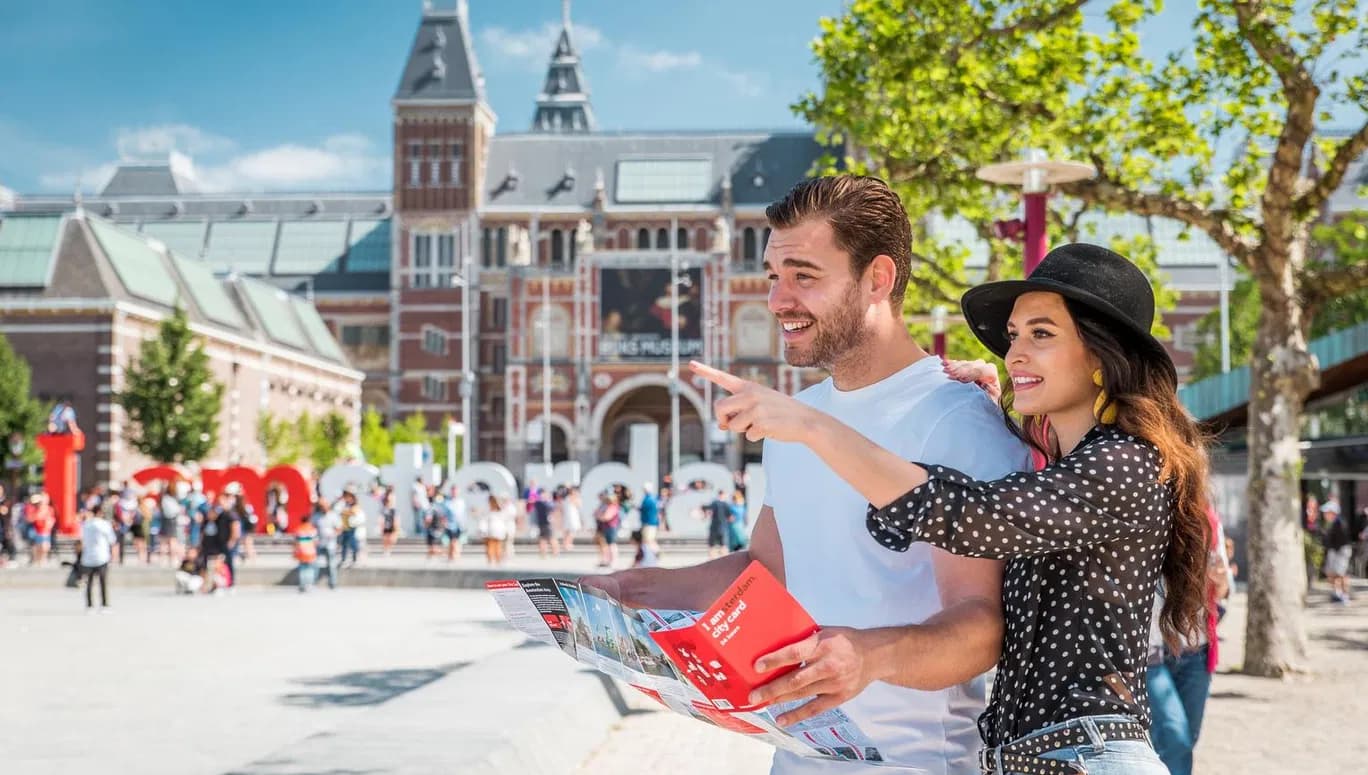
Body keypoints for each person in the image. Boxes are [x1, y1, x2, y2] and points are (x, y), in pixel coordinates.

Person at [690, 241, 1212, 775]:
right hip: (1042, 758)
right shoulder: (1063, 468)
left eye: (1041, 335)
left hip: (1089, 755)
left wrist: (809, 425)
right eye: (1013, 337)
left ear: (1104, 352)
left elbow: (966, 514)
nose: (1014, 355)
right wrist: (988, 415)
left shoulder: (1124, 464)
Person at [586, 175, 1030, 775]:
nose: (777, 300)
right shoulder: (797, 416)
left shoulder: (957, 418)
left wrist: (867, 656)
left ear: (878, 278)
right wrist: (639, 591)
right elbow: (766, 572)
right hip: (796, 760)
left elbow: (982, 626)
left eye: (804, 275)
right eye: (774, 276)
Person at [1144, 504, 1231, 775]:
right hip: (1151, 651)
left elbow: (1225, 588)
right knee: (1174, 736)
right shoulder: (1146, 512)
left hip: (1196, 650)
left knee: (1184, 740)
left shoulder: (1210, 521)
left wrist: (1219, 579)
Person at [79, 504, 117, 612]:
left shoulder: (86, 524)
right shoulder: (104, 524)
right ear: (100, 512)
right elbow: (112, 540)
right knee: (103, 582)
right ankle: (104, 605)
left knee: (89, 582)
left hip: (88, 556)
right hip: (102, 556)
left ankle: (89, 605)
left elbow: (81, 539)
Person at [1320, 497, 1354, 604]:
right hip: (1335, 551)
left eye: (1327, 512)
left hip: (1341, 551)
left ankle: (1344, 596)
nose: (1325, 514)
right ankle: (1337, 594)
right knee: (1333, 573)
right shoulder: (1332, 523)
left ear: (1332, 512)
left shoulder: (1339, 523)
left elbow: (1341, 540)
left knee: (1341, 573)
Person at [593, 491, 621, 568]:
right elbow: (596, 513)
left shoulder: (613, 506)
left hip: (611, 527)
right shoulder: (608, 506)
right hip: (606, 527)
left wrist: (599, 516)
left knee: (612, 545)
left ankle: (613, 561)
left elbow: (606, 517)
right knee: (608, 545)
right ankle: (608, 560)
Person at [293, 512, 319, 592]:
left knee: (302, 569)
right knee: (310, 569)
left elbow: (296, 542)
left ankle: (302, 584)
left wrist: (295, 551)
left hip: (301, 551)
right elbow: (316, 541)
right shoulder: (312, 529)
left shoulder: (298, 529)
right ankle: (309, 584)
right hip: (310, 551)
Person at [27, 492, 55, 566]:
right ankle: (37, 560)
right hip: (38, 530)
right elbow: (31, 518)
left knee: (45, 546)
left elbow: (52, 519)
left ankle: (43, 559)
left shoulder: (49, 509)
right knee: (38, 546)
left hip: (46, 530)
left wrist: (49, 524)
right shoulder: (36, 508)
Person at [705, 490, 731, 559]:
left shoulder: (713, 503)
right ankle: (724, 561)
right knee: (724, 545)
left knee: (712, 545)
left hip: (714, 527)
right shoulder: (726, 504)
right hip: (723, 527)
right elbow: (730, 517)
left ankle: (712, 561)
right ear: (723, 495)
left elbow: (708, 513)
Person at [638, 483, 661, 557]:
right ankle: (653, 553)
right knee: (649, 539)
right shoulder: (652, 498)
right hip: (651, 522)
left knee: (649, 540)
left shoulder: (648, 499)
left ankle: (656, 553)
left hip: (649, 522)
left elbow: (644, 509)